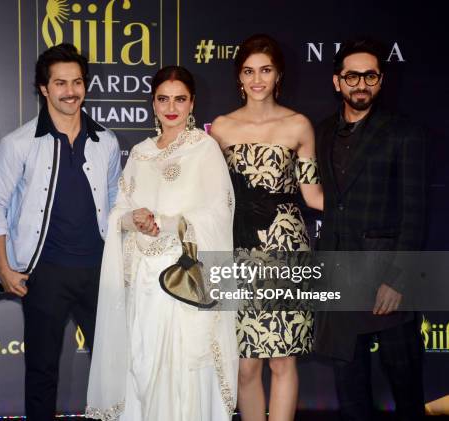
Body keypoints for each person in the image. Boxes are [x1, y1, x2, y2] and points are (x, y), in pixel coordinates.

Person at [86, 66, 238, 421]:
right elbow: (118, 213)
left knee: (183, 370)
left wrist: (170, 223)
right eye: (163, 99)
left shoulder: (204, 149)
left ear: (192, 103)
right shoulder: (139, 154)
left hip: (183, 281)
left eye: (180, 99)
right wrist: (132, 218)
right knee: (143, 366)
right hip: (143, 284)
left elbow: (219, 214)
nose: (171, 107)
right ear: (152, 103)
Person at [0, 43, 121, 420]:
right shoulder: (18, 144)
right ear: (43, 88)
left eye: (77, 82)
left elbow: (115, 199)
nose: (70, 91)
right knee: (42, 371)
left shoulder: (106, 142)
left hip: (99, 271)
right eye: (60, 83)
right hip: (44, 272)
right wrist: (3, 267)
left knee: (111, 370)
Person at [210, 34, 323, 421]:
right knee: (246, 365)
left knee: (282, 362)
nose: (257, 79)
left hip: (288, 250)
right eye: (248, 71)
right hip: (241, 250)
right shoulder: (221, 129)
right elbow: (212, 196)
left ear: (278, 75)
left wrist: (364, 208)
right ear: (239, 78)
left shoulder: (299, 125)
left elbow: (312, 196)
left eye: (265, 70)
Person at [314, 39, 427, 421]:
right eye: (352, 76)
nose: (360, 83)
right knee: (351, 397)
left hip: (386, 282)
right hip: (340, 279)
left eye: (370, 75)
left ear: (380, 81)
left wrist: (397, 280)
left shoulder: (404, 133)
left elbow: (415, 213)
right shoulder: (323, 131)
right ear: (337, 81)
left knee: (406, 391)